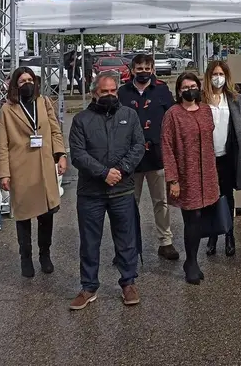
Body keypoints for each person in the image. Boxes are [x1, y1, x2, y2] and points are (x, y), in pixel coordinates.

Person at [68, 72, 145, 310]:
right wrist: (103, 173)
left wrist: (120, 170)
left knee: (126, 240)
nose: (110, 95)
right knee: (90, 242)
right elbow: (78, 154)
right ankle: (89, 287)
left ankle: (128, 283)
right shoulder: (81, 119)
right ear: (94, 93)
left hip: (122, 190)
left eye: (113, 91)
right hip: (91, 193)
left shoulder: (129, 115)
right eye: (105, 91)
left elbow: (138, 145)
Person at [0, 66, 67, 278]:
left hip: (45, 167)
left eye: (30, 80)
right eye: (22, 81)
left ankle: (45, 254)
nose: (27, 83)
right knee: (23, 216)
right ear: (15, 85)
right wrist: (4, 173)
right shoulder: (7, 110)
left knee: (47, 214)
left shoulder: (44, 102)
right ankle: (25, 257)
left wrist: (61, 154)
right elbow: (2, 144)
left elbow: (55, 130)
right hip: (21, 169)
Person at [117, 54, 178, 263]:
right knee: (128, 203)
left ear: (152, 69)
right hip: (130, 159)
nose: (143, 71)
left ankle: (165, 242)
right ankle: (128, 246)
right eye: (139, 68)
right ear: (132, 70)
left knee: (161, 201)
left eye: (146, 68)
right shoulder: (122, 93)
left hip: (156, 156)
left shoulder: (161, 90)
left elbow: (172, 119)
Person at [162, 72, 220, 284]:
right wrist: (173, 179)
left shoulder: (205, 111)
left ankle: (192, 260)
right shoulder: (173, 114)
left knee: (203, 217)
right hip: (186, 176)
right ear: (179, 91)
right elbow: (167, 148)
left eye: (193, 86)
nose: (189, 90)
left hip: (207, 174)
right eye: (185, 88)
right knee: (192, 219)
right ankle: (192, 262)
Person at [202, 60, 241, 257]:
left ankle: (230, 235)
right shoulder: (202, 97)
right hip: (207, 156)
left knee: (227, 196)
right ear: (208, 75)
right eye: (215, 74)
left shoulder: (234, 98)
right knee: (211, 197)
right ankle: (213, 235)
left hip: (228, 154)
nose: (218, 78)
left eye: (221, 74)